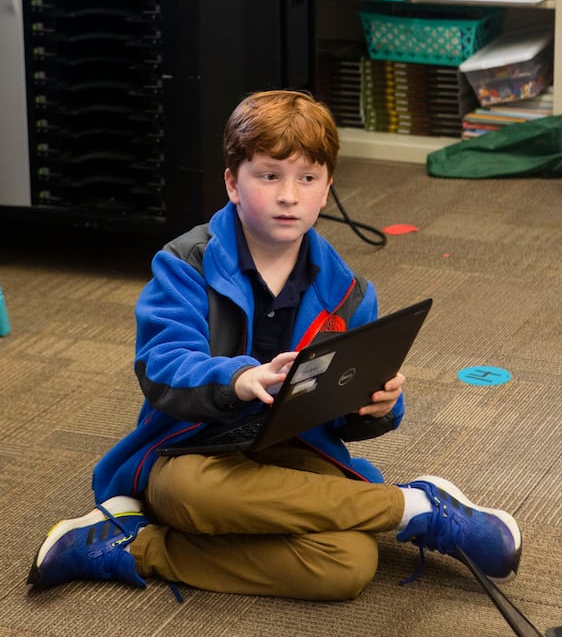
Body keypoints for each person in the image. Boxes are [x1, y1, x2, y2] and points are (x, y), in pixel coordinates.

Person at [26, 89, 521, 602]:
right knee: (191, 494)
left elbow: (340, 412)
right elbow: (161, 366)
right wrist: (239, 379)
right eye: (269, 175)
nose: (290, 195)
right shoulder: (185, 263)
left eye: (307, 178)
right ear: (232, 184)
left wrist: (377, 407)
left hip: (292, 450)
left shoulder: (350, 293)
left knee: (348, 566)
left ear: (327, 189)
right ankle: (416, 510)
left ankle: (133, 546)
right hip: (191, 446)